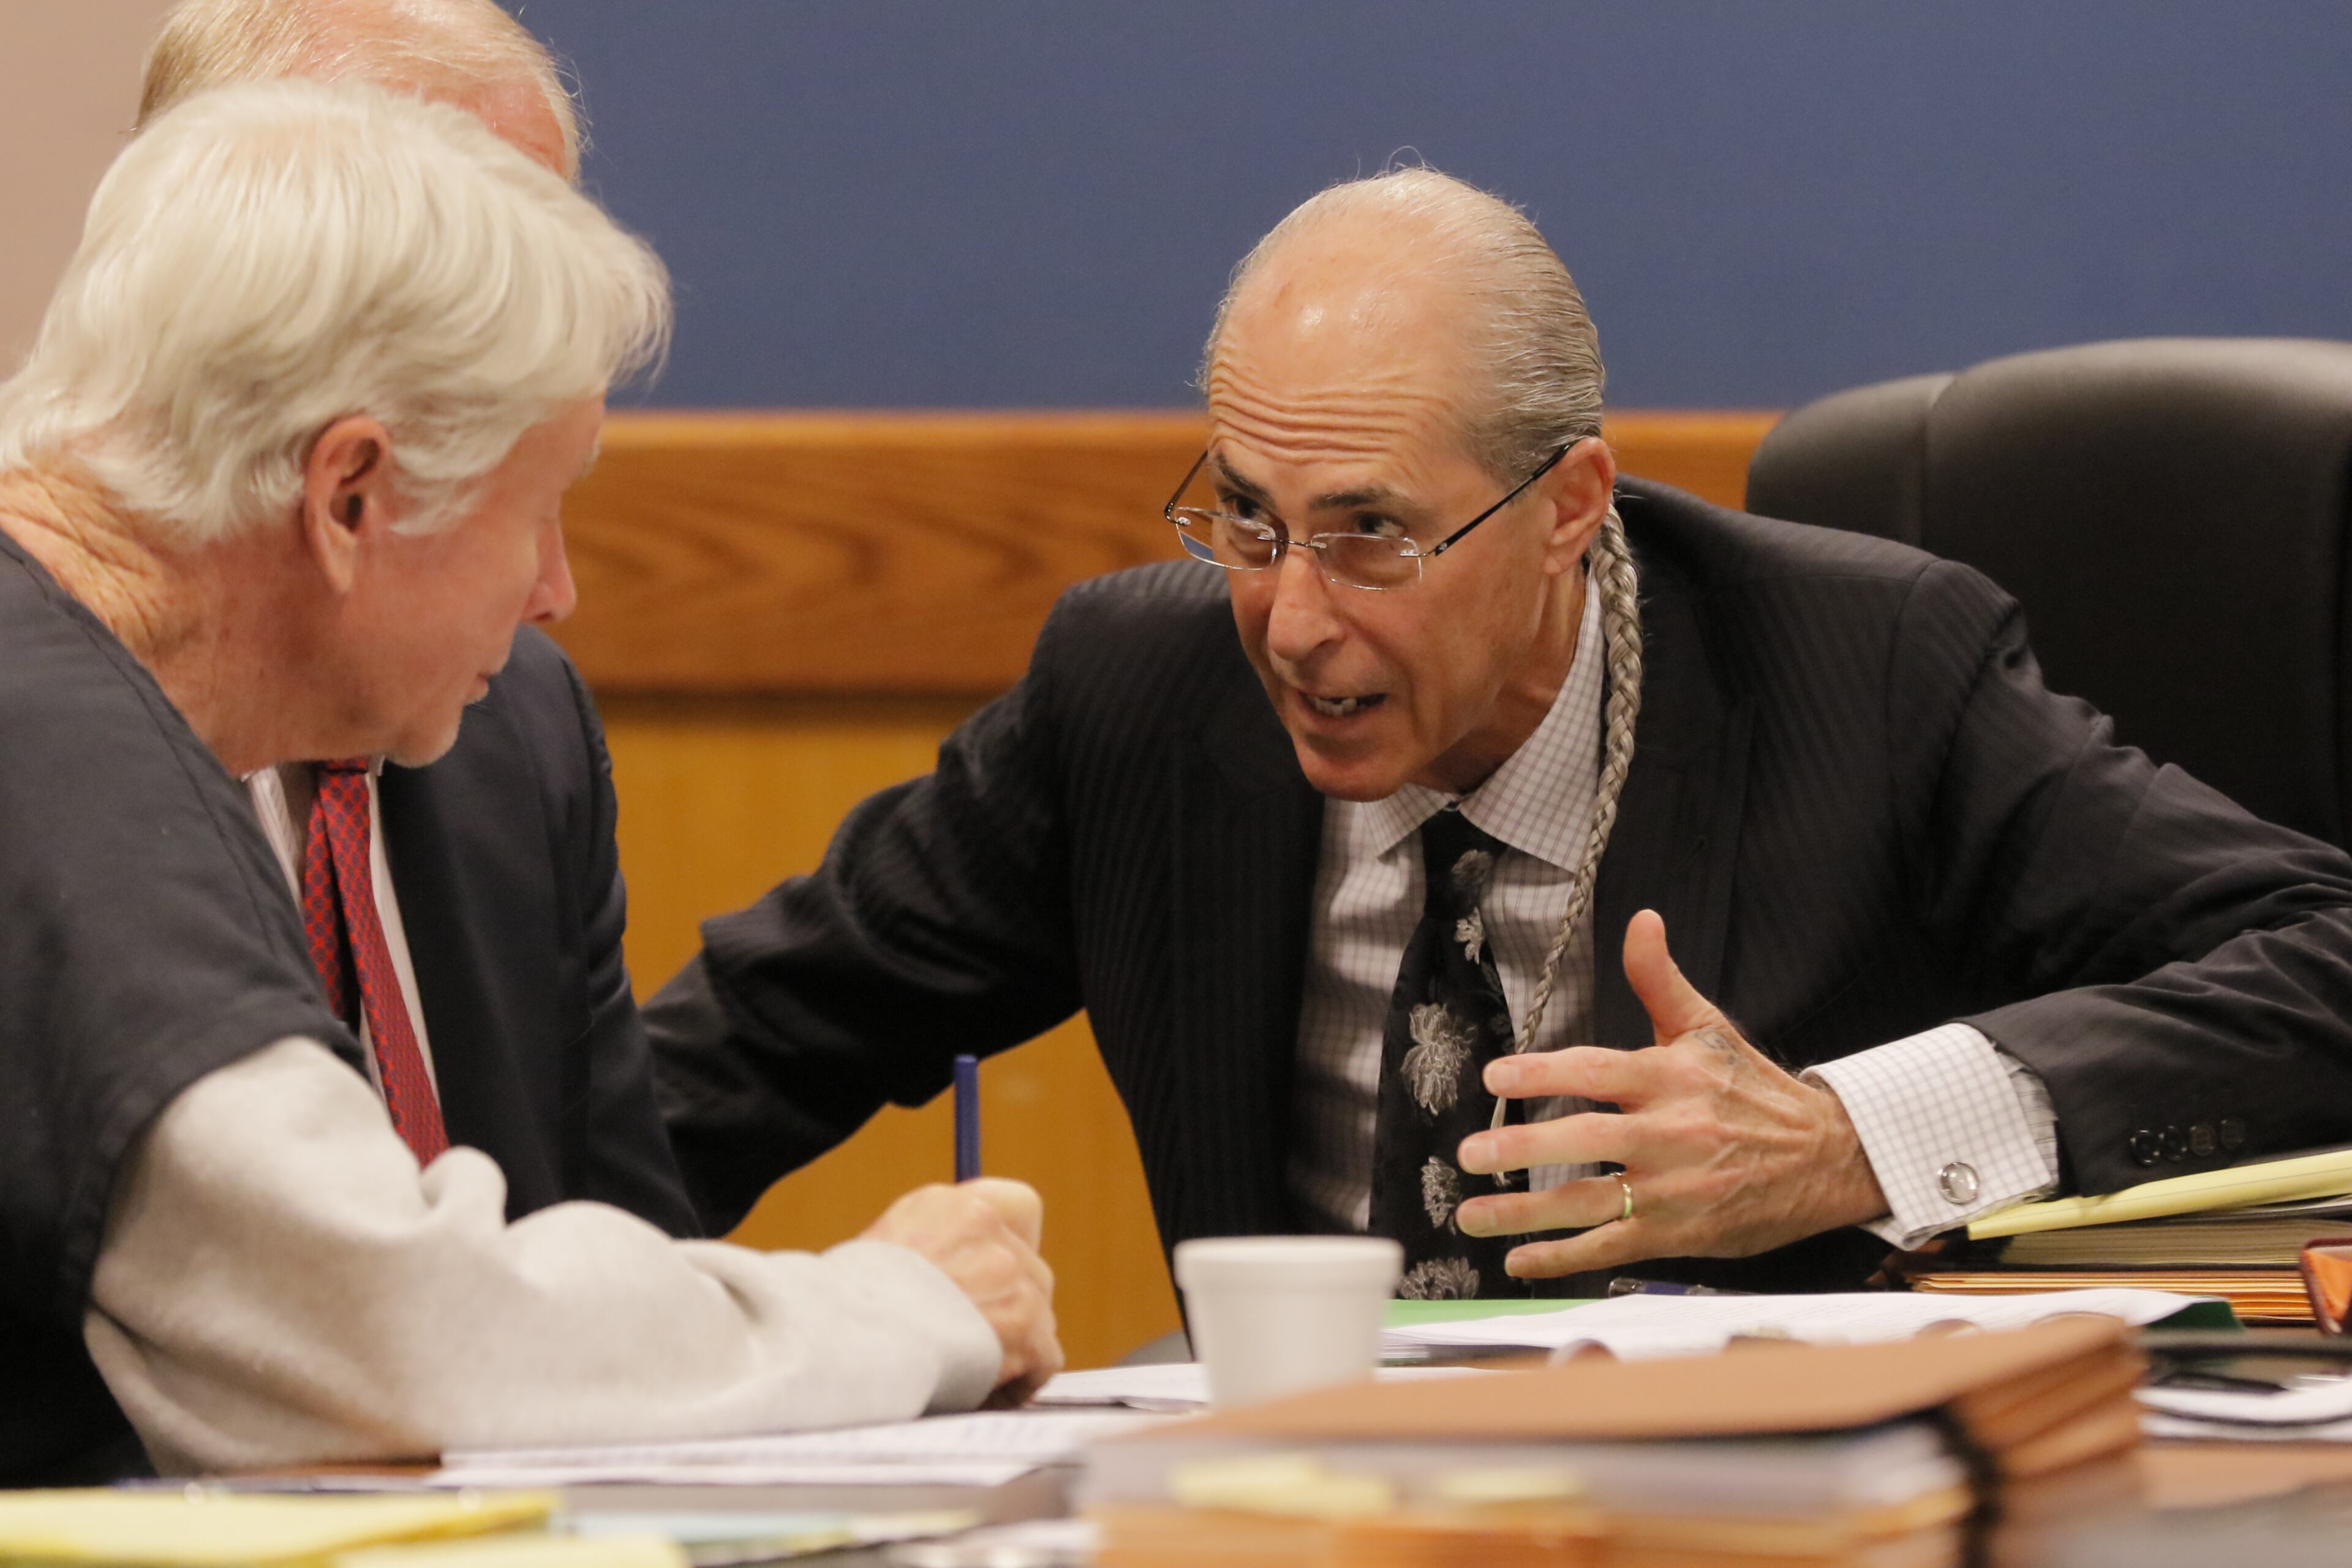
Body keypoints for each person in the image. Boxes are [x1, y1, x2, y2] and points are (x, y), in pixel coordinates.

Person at [646, 166, 2352, 1304]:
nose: (1294, 619)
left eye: (1372, 534)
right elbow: (737, 1055)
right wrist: (466, 1317)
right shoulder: (1139, 694)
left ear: (1568, 510)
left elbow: (2327, 965)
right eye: (1245, 517)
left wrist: (1844, 1139)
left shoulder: (1866, 670)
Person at [0, 80, 1056, 1486]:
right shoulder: (53, 743)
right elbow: (390, 1332)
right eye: (541, 504)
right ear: (351, 495)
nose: (556, 588)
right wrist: (910, 1302)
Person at [134, 0, 691, 1237]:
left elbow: (620, 1268)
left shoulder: (520, 724)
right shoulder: (65, 754)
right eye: (465, 263)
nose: (556, 591)